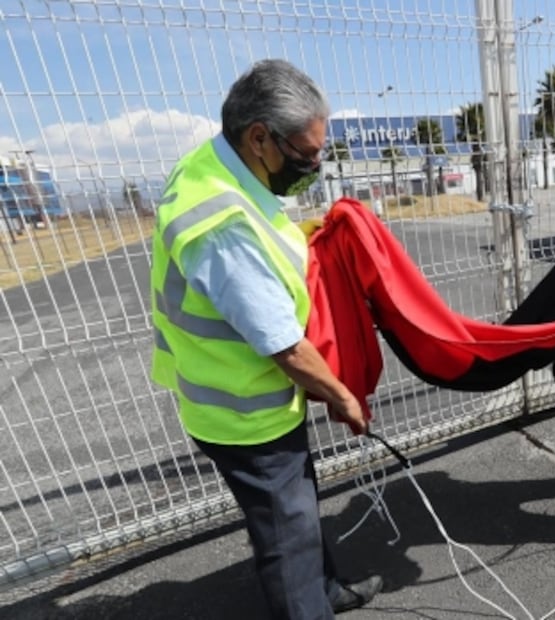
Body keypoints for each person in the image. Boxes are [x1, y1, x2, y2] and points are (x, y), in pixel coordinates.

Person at [149, 58, 382, 617]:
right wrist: (343, 396)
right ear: (259, 138)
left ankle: (325, 589)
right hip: (243, 413)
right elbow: (284, 344)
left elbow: (260, 248)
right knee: (287, 535)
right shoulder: (222, 222)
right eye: (306, 154)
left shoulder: (216, 167)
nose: (315, 164)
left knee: (297, 510)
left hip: (253, 399)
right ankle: (310, 604)